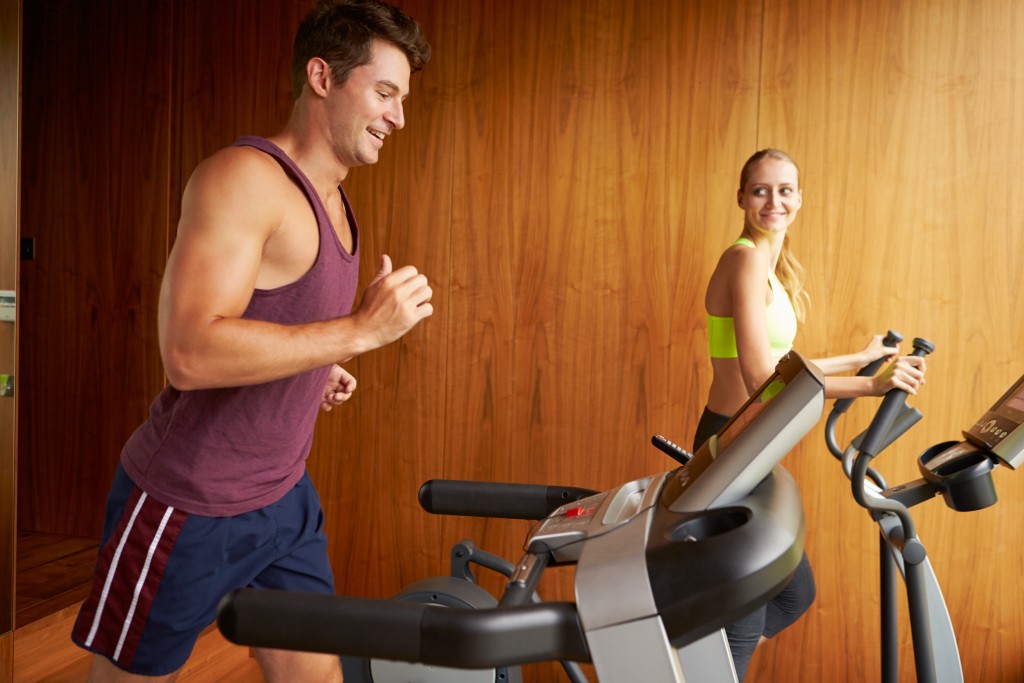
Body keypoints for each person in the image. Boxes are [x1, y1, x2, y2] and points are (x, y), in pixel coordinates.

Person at [70, 2, 432, 681]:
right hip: (190, 502)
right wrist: (356, 332)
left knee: (317, 675)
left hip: (283, 496)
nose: (398, 117)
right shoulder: (244, 180)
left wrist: (315, 369)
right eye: (385, 93)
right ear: (321, 76)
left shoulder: (335, 199)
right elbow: (190, 352)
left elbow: (271, 324)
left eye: (403, 99)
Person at [696, 148, 927, 680]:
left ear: (799, 198)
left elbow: (785, 366)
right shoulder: (744, 260)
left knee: (793, 596)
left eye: (784, 190)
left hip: (754, 451)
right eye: (760, 190)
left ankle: (699, 663)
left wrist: (859, 358)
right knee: (745, 617)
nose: (773, 201)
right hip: (730, 453)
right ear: (741, 198)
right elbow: (762, 382)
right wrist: (871, 385)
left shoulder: (769, 269)